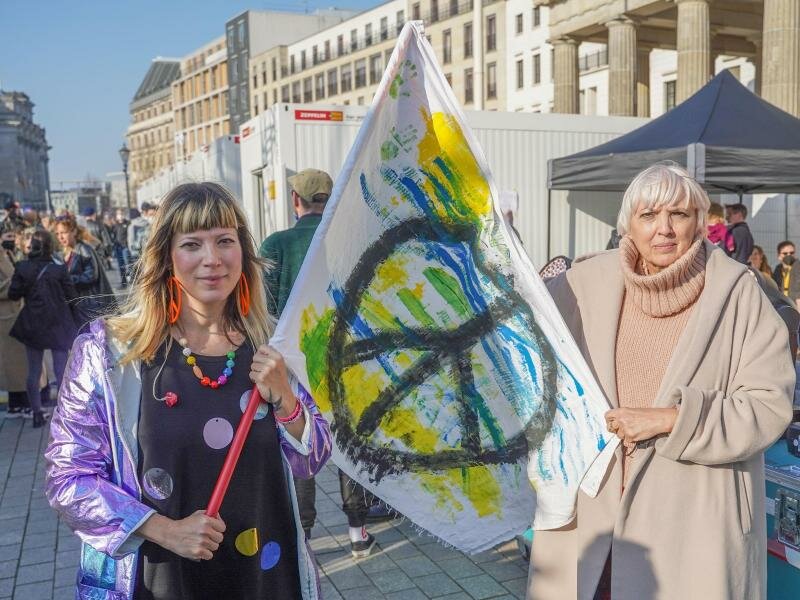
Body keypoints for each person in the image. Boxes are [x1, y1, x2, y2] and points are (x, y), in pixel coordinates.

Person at [45, 182, 331, 600]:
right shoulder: (111, 354)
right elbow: (67, 477)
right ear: (166, 257)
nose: (211, 260)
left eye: (224, 241)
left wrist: (286, 399)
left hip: (267, 577)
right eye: (192, 244)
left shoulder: (274, 345)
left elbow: (314, 458)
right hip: (162, 580)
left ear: (243, 252)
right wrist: (164, 530)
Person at [529, 163, 794, 599]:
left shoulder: (740, 293)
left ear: (701, 222)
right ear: (628, 225)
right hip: (593, 519)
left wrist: (673, 419)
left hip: (693, 524)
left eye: (679, 214)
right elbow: (520, 352)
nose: (664, 230)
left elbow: (769, 406)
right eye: (648, 216)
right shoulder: (581, 286)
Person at [260, 168, 377, 558]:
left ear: (296, 201)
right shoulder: (349, 241)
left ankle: (304, 536)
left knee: (300, 438)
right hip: (346, 362)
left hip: (291, 364)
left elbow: (263, 310)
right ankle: (358, 531)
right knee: (347, 443)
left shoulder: (276, 244)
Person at [8, 230, 77, 428]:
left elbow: (14, 294)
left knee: (34, 370)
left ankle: (37, 413)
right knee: (61, 369)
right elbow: (72, 296)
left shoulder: (22, 267)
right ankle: (65, 412)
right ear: (50, 246)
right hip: (58, 323)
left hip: (33, 324)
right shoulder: (59, 269)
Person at [54, 214, 115, 329]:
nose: (60, 237)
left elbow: (91, 276)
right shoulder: (66, 251)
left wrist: (68, 279)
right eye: (57, 234)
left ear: (74, 232)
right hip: (78, 306)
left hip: (90, 305)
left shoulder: (84, 249)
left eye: (64, 232)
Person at [0, 223, 31, 418]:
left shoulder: (7, 254)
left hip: (15, 314)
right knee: (12, 364)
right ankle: (17, 403)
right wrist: (12, 285)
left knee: (20, 363)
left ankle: (19, 402)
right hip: (5, 317)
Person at [112, 209, 131, 287]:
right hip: (118, 248)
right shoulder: (115, 225)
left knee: (128, 264)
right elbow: (113, 235)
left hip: (125, 247)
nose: (120, 215)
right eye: (118, 214)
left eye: (121, 214)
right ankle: (123, 282)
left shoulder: (128, 223)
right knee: (121, 265)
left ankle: (131, 280)